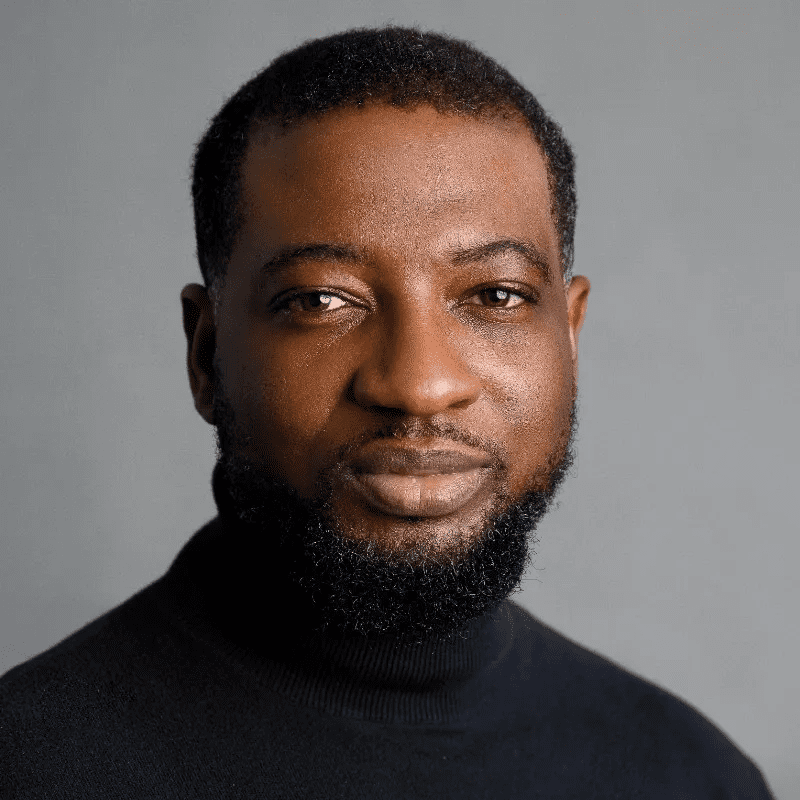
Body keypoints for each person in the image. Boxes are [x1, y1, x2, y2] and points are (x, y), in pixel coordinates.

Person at [0, 26, 774, 798]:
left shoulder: (694, 777)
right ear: (206, 354)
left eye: (495, 296)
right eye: (320, 300)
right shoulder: (30, 764)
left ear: (569, 339)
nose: (419, 384)